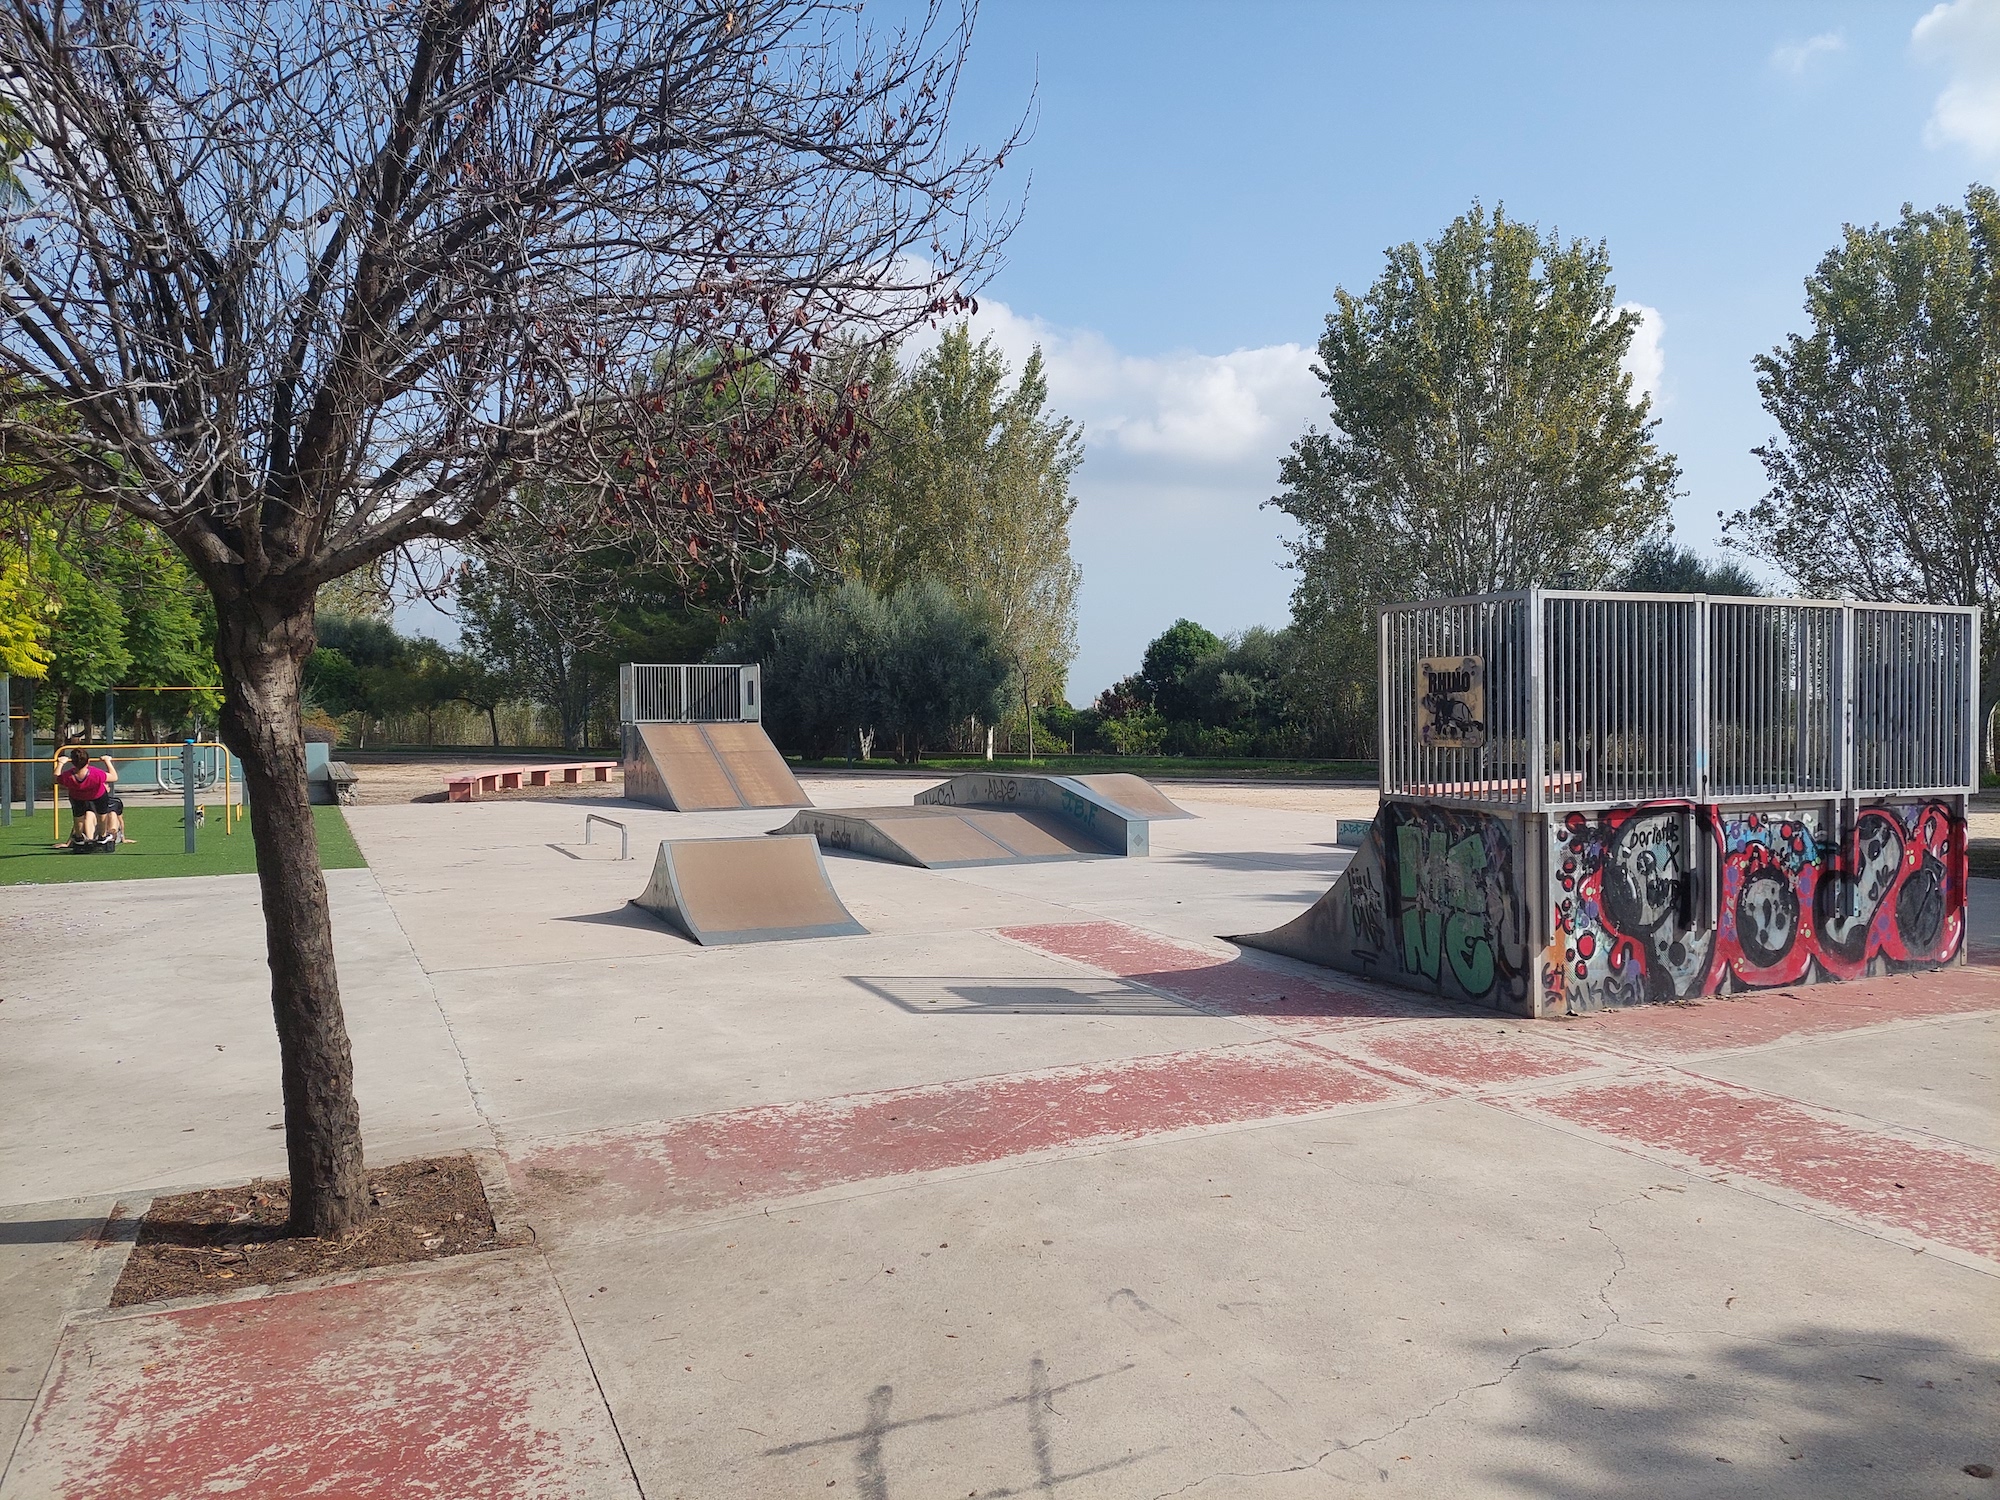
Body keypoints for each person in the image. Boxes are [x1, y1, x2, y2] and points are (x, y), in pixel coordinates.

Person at [55, 750, 128, 849]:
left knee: (78, 816)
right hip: (97, 795)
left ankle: (79, 837)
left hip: (77, 797)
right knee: (101, 815)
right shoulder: (95, 773)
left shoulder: (68, 776)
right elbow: (114, 777)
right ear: (88, 761)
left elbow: (55, 778)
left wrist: (60, 763)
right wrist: (107, 761)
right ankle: (102, 837)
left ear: (72, 762)